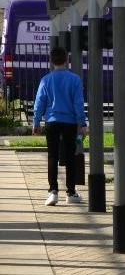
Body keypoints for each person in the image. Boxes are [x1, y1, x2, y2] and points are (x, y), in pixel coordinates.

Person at [32, 44, 87, 206]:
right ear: (67, 60)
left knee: (52, 156)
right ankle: (71, 192)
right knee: (70, 157)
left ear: (51, 61)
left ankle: (53, 191)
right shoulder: (74, 79)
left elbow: (39, 103)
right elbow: (78, 103)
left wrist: (36, 122)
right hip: (69, 122)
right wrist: (82, 123)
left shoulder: (46, 80)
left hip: (51, 122)